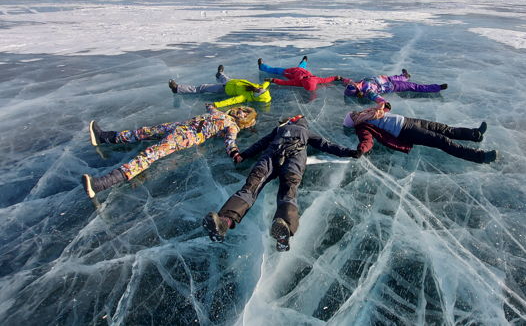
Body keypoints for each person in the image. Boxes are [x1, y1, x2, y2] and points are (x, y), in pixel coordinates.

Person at [202, 114, 360, 251]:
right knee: (288, 191)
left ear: (292, 121)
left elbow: (260, 144)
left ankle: (225, 221)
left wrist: (243, 155)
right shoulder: (307, 132)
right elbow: (327, 146)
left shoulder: (278, 130)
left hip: (271, 155)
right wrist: (350, 152)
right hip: (295, 158)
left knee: (251, 187)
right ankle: (284, 230)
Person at [82, 105, 258, 198]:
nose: (241, 111)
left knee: (151, 154)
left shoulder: (232, 126)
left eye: (245, 113)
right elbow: (210, 108)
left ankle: (102, 184)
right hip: (178, 126)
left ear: (245, 120)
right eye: (243, 109)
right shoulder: (223, 114)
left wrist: (235, 154)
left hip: (186, 136)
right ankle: (106, 137)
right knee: (143, 132)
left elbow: (229, 142)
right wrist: (211, 106)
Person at [343, 109, 497, 164]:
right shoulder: (362, 126)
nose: (356, 113)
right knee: (441, 141)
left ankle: (475, 134)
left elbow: (385, 109)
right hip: (405, 131)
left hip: (408, 121)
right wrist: (361, 150)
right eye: (353, 115)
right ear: (354, 121)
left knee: (444, 129)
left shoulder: (369, 113)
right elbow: (367, 140)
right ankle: (479, 157)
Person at [168, 65, 271, 107]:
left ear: (257, 95)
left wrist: (217, 105)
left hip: (224, 88)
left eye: (258, 91)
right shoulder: (260, 88)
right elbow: (264, 84)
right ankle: (219, 74)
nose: (258, 88)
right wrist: (270, 80)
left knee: (202, 88)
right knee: (224, 78)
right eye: (260, 89)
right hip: (232, 82)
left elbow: (232, 101)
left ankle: (177, 89)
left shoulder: (245, 96)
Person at [342, 70, 447, 108]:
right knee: (414, 86)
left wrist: (339, 79)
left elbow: (349, 81)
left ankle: (405, 75)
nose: (355, 84)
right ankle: (437, 87)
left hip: (385, 79)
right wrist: (384, 102)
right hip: (392, 86)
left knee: (400, 77)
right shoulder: (367, 91)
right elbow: (376, 97)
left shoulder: (358, 83)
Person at [258, 55, 343, 91]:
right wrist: (336, 77)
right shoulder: (317, 79)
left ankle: (262, 66)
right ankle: (304, 61)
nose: (308, 78)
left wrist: (273, 80)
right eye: (309, 78)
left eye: (307, 79)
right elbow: (327, 80)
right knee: (301, 66)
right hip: (300, 70)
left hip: (291, 72)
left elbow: (284, 82)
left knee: (276, 70)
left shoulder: (298, 82)